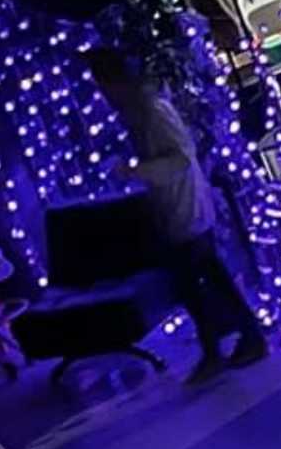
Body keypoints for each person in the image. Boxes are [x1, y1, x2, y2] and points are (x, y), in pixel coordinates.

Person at [94, 56, 265, 377]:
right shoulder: (143, 112)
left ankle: (228, 343)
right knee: (204, 278)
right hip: (180, 208)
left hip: (185, 207)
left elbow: (180, 159)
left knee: (197, 281)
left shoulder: (153, 112)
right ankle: (233, 340)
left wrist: (134, 171)